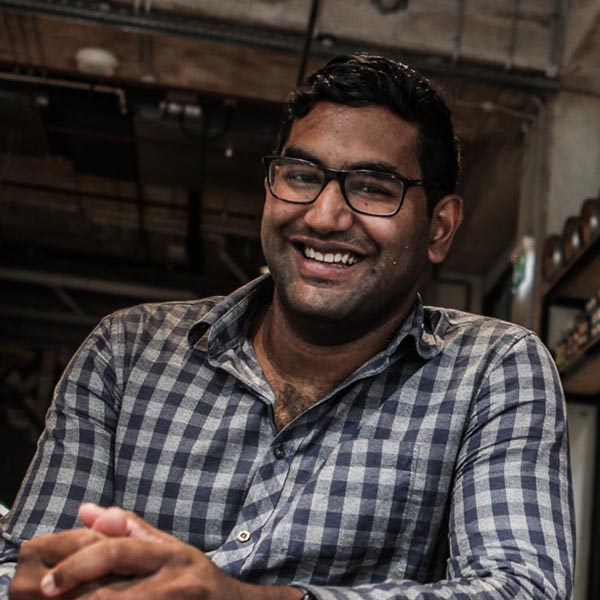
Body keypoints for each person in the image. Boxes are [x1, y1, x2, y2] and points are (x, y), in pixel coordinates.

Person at [0, 53, 574, 599]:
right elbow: (23, 564)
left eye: (374, 188)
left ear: (440, 228)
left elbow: (520, 588)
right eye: (301, 175)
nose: (324, 216)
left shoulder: (491, 371)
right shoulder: (127, 352)